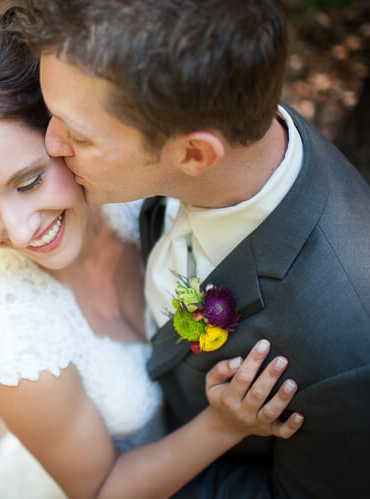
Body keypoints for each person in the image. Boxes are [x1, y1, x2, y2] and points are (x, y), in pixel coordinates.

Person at [0, 8, 304, 498]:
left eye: (30, 181)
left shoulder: (140, 186)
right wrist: (223, 427)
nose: (20, 233)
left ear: (67, 132)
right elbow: (99, 491)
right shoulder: (20, 347)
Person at [23, 0, 370, 497]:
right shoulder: (218, 114)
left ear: (194, 154)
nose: (52, 144)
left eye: (77, 134)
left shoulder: (350, 352)